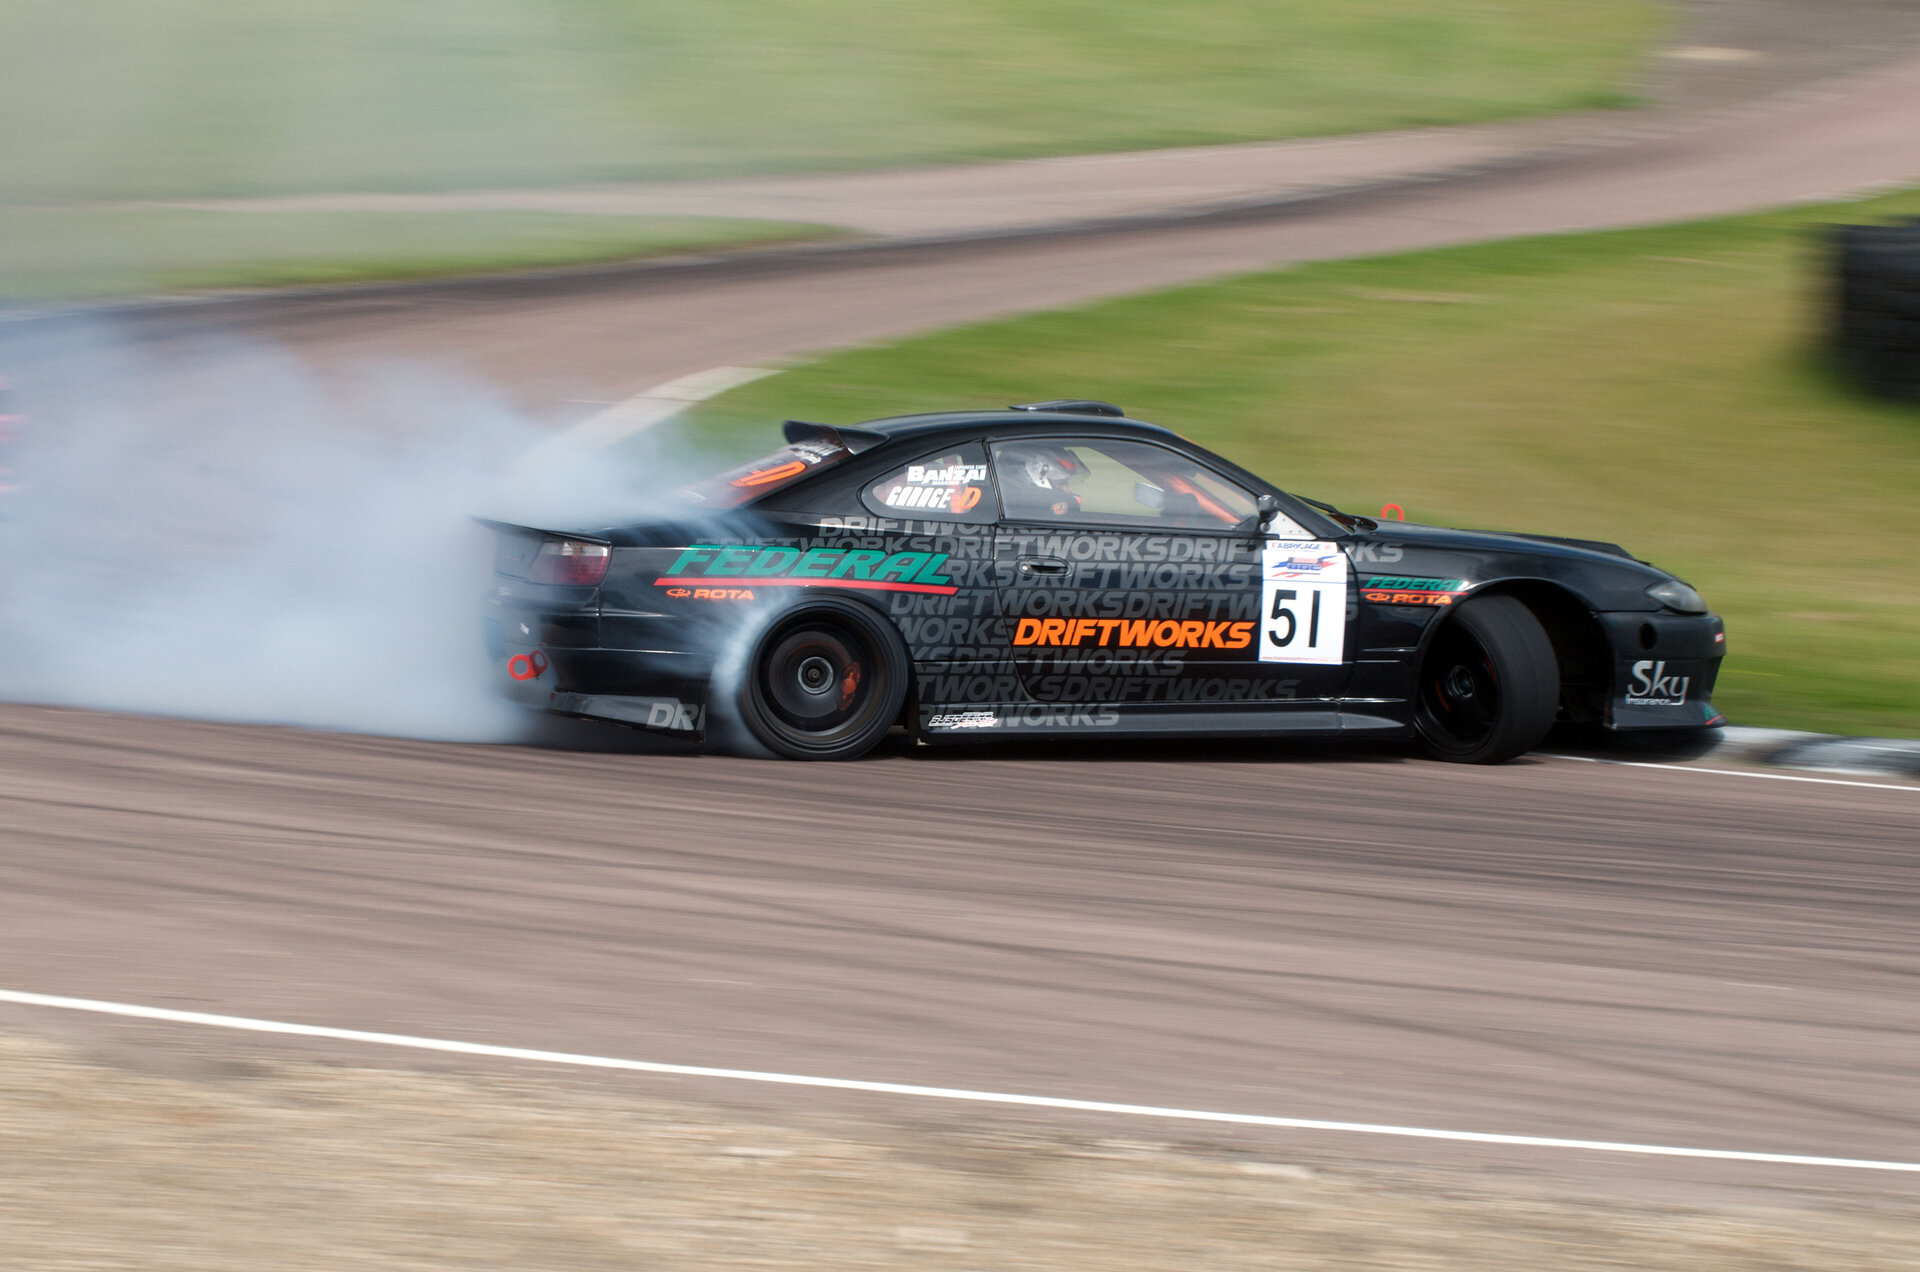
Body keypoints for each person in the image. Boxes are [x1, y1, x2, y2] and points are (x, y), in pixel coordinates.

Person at [999, 443, 1082, 519]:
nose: (1068, 491)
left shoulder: (1010, 512)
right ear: (1032, 476)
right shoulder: (1028, 516)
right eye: (1060, 483)